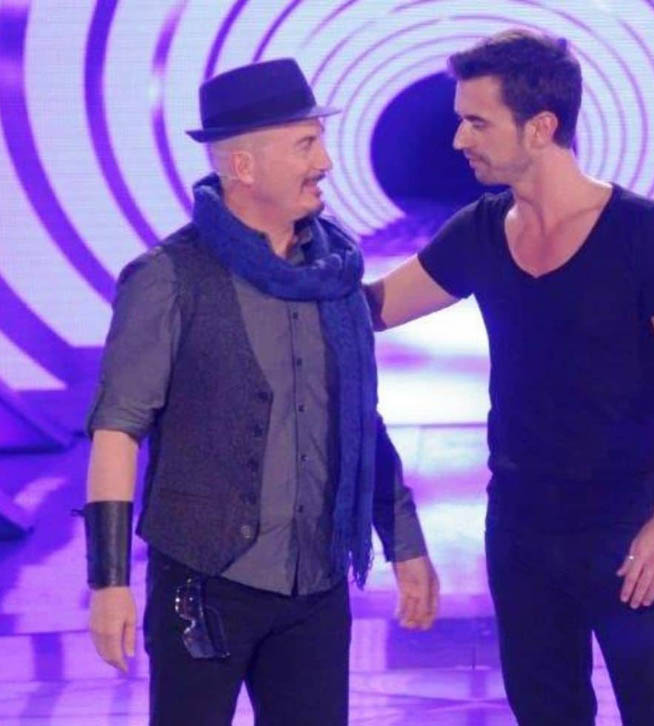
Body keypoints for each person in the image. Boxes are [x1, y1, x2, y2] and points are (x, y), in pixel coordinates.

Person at [365, 30, 654, 726]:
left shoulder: (644, 233)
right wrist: (279, 265)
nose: (458, 140)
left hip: (628, 530)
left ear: (541, 127)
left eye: (477, 122)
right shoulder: (479, 230)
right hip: (520, 528)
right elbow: (372, 310)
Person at [79, 58, 439, 726]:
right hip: (205, 584)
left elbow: (359, 421)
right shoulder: (169, 277)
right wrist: (109, 583)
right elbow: (117, 430)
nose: (325, 163)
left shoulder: (334, 274)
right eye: (305, 144)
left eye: (320, 142)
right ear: (243, 166)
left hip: (317, 587)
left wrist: (405, 543)